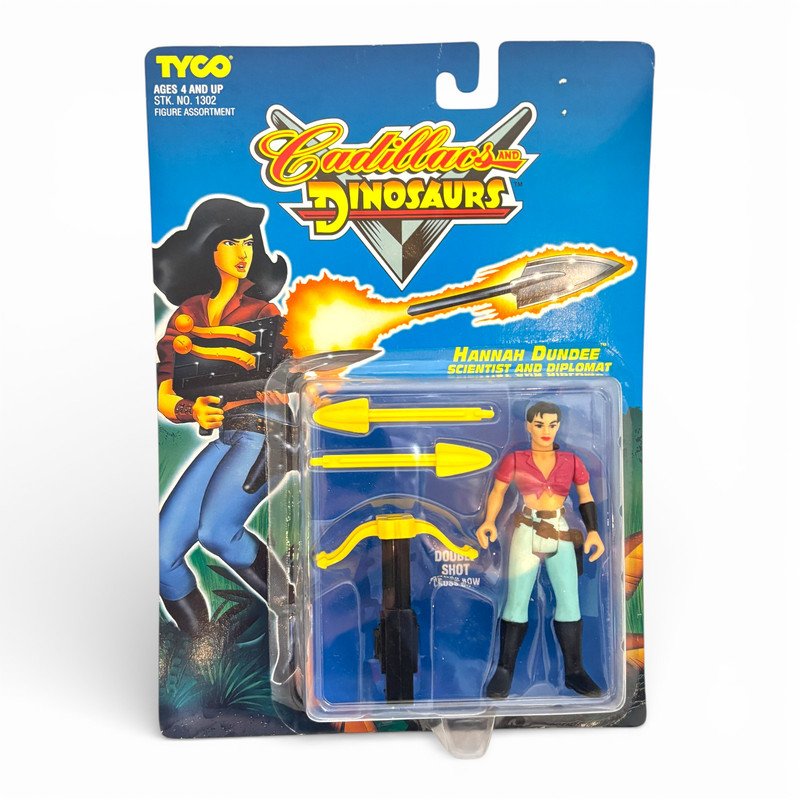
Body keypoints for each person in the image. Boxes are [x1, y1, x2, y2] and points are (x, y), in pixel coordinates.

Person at [154, 196, 289, 634]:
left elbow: (290, 375)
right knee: (160, 555)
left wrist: (286, 389)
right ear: (207, 249)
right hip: (226, 436)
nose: (242, 251)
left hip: (263, 434)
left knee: (218, 531)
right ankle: (203, 648)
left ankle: (294, 611)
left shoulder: (263, 312)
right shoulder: (188, 315)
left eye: (247, 241)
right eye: (230, 242)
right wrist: (190, 408)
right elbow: (165, 386)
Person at [476, 401, 605, 698]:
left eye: (551, 424)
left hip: (559, 529)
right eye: (539, 424)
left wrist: (593, 531)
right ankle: (504, 670)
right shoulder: (515, 459)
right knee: (516, 602)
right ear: (528, 426)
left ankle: (574, 671)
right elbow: (498, 491)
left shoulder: (572, 461)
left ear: (559, 426)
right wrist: (489, 522)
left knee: (569, 601)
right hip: (526, 527)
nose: (545, 430)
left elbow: (585, 496)